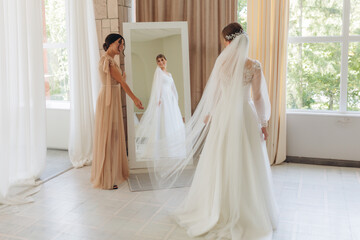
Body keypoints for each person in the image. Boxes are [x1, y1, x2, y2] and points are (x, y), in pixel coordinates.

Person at [151, 22, 279, 239]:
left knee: (220, 158)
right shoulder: (254, 66)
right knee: (246, 160)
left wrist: (210, 113)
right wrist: (263, 123)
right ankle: (250, 210)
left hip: (224, 116)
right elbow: (257, 97)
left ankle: (216, 207)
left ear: (228, 42)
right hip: (243, 116)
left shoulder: (222, 65)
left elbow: (217, 93)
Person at [91, 33, 143, 190]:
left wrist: (122, 78)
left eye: (122, 44)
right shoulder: (108, 61)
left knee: (112, 137)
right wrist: (135, 99)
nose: (121, 47)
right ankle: (107, 178)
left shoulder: (108, 60)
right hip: (108, 101)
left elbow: (118, 82)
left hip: (110, 98)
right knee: (108, 137)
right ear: (111, 43)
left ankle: (111, 173)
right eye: (119, 43)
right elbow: (121, 83)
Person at [135, 54, 185, 161]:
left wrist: (175, 100)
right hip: (163, 99)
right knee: (164, 121)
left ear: (166, 61)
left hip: (170, 100)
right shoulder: (158, 73)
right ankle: (162, 148)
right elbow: (157, 86)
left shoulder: (169, 74)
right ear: (157, 63)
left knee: (172, 121)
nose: (160, 62)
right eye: (158, 61)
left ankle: (172, 147)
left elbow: (172, 88)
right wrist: (158, 99)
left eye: (162, 60)